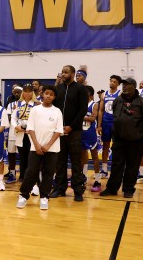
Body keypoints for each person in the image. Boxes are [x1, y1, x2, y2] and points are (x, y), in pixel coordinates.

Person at [100, 78, 143, 198]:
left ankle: (128, 189)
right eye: (123, 85)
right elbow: (115, 117)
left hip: (135, 140)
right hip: (119, 139)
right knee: (116, 165)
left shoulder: (142, 102)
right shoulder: (118, 100)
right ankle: (112, 188)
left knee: (132, 166)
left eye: (127, 85)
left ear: (134, 86)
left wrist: (141, 135)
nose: (124, 87)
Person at [16, 85, 63, 210]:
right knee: (31, 172)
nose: (48, 96)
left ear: (54, 97)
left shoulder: (57, 111)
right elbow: (30, 128)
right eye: (46, 93)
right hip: (35, 148)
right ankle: (23, 195)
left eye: (51, 94)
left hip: (52, 149)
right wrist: (37, 145)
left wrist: (47, 145)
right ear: (42, 94)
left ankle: (44, 197)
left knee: (48, 173)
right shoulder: (35, 110)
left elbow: (58, 131)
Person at [50, 65, 89, 201]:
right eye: (62, 72)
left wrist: (71, 126)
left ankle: (78, 191)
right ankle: (60, 188)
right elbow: (53, 110)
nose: (63, 74)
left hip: (75, 131)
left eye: (66, 72)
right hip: (59, 131)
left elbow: (83, 110)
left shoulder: (80, 89)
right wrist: (58, 127)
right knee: (59, 162)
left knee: (75, 162)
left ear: (72, 74)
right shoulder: (59, 89)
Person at [10, 84, 39, 187]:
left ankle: (31, 177)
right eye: (25, 91)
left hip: (32, 134)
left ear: (33, 92)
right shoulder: (18, 104)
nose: (27, 93)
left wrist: (32, 129)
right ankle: (22, 176)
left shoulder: (37, 105)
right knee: (22, 156)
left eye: (30, 91)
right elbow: (13, 117)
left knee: (31, 156)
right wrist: (16, 126)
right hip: (20, 133)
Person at [98, 75, 122, 179]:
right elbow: (101, 110)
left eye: (114, 82)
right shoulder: (104, 94)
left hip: (116, 123)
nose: (112, 83)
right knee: (105, 146)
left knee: (117, 147)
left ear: (118, 84)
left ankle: (116, 170)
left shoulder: (120, 94)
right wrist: (99, 125)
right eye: (111, 81)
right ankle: (104, 170)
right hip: (106, 123)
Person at [82, 86, 102, 193]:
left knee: (94, 156)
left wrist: (80, 116)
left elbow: (93, 118)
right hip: (82, 133)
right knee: (82, 155)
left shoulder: (94, 104)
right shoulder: (80, 104)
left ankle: (98, 180)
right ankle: (83, 177)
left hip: (91, 133)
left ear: (89, 94)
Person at [4, 86, 22, 183]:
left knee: (24, 155)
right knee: (11, 153)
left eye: (18, 92)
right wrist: (15, 112)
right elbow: (9, 118)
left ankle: (23, 174)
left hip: (23, 132)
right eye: (15, 92)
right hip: (12, 131)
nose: (16, 94)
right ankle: (12, 173)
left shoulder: (26, 104)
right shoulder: (10, 105)